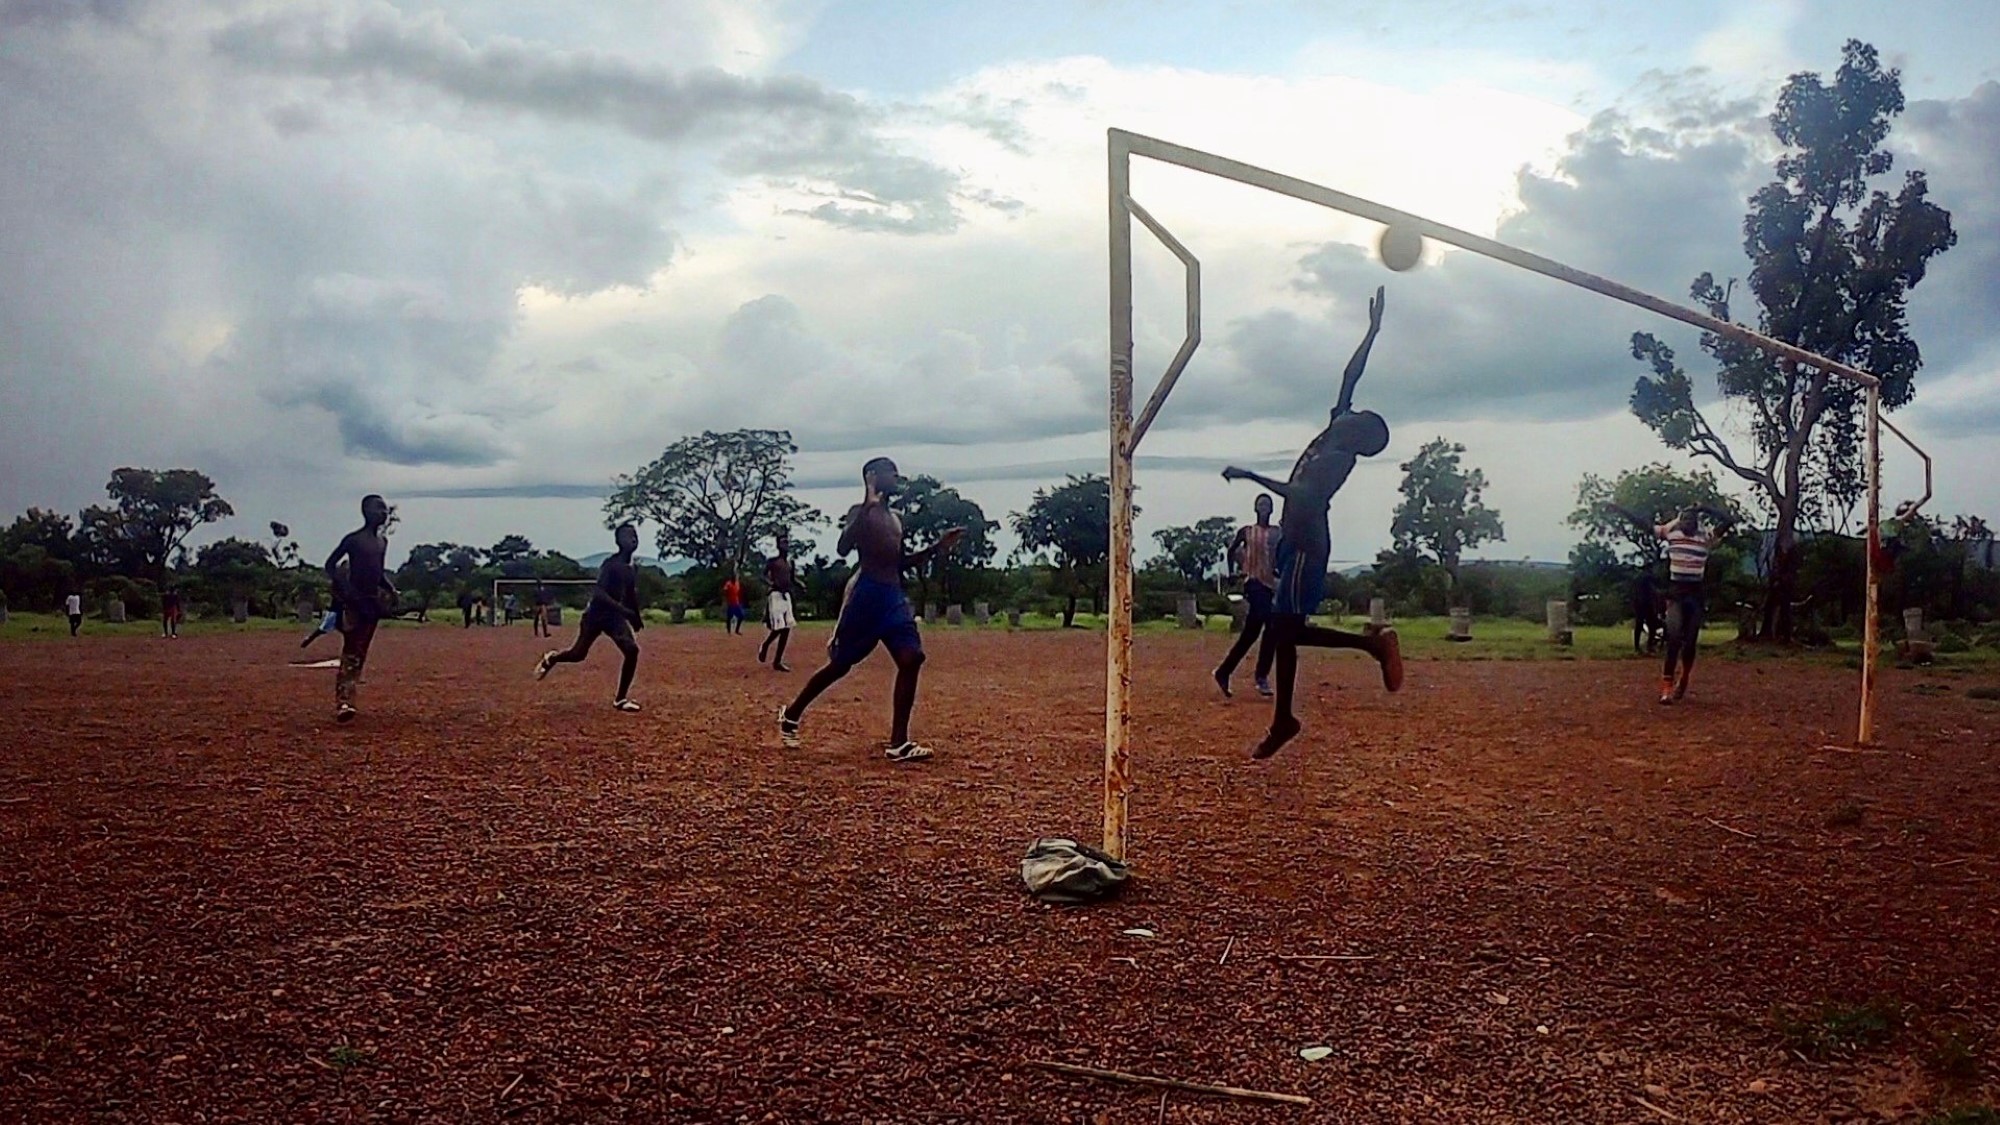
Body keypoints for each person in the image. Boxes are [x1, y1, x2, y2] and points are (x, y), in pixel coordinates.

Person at [1221, 286, 1403, 760]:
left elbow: (1302, 495)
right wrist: (1372, 330)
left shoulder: (1340, 456)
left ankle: (1370, 646)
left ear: (1361, 436)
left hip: (1307, 548)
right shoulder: (1335, 426)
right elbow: (1350, 374)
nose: (1352, 409)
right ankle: (1284, 719)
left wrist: (1251, 475)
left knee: (1286, 631)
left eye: (1360, 415)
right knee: (1284, 634)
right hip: (1294, 546)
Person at [776, 457, 963, 762]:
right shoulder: (859, 513)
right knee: (840, 665)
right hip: (866, 596)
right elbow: (843, 547)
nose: (898, 477)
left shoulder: (896, 519)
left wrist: (936, 548)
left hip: (893, 597)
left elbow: (899, 563)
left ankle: (899, 743)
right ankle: (792, 714)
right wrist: (867, 504)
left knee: (912, 658)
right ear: (872, 477)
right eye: (891, 473)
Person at [536, 524, 646, 712]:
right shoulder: (611, 564)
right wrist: (623, 610)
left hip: (614, 618)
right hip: (595, 615)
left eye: (635, 535)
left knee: (632, 650)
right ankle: (552, 658)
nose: (633, 539)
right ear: (619, 542)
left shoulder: (631, 568)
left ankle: (620, 699)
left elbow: (630, 594)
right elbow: (599, 593)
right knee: (578, 654)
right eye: (628, 536)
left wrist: (635, 616)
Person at [324, 494, 399, 724]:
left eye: (385, 510)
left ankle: (349, 695)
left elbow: (378, 573)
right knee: (352, 651)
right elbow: (330, 564)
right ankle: (344, 701)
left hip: (371, 604)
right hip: (353, 603)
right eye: (379, 509)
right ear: (366, 512)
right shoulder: (353, 540)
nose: (383, 513)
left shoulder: (381, 542)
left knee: (360, 651)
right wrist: (345, 589)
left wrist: (391, 590)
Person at [1648, 505, 1732, 704]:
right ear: (1679, 521)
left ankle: (1684, 677)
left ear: (1697, 524)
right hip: (1676, 593)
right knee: (1674, 637)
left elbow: (1729, 521)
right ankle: (1667, 686)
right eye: (1683, 520)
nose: (1687, 524)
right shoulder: (1671, 534)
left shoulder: (1706, 538)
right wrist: (1618, 509)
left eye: (1691, 521)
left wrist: (1704, 508)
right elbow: (1643, 525)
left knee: (1690, 642)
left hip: (1695, 594)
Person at [1213, 494, 1281, 698]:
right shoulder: (1247, 531)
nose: (1264, 508)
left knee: (1252, 633)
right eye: (1261, 505)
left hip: (1270, 584)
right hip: (1253, 582)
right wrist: (1233, 571)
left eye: (1267, 505)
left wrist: (1279, 570)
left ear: (1271, 509)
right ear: (1255, 508)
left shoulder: (1277, 533)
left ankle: (1224, 671)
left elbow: (1282, 554)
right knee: (1269, 622)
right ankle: (1261, 677)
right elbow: (1232, 549)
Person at [758, 532, 798, 672]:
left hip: (786, 595)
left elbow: (792, 578)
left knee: (787, 628)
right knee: (779, 627)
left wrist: (800, 584)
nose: (785, 545)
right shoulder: (773, 561)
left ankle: (777, 661)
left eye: (787, 542)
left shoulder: (790, 562)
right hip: (775, 595)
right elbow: (762, 575)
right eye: (782, 542)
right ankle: (766, 645)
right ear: (778, 545)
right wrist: (771, 583)